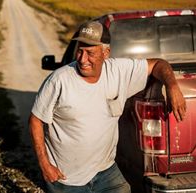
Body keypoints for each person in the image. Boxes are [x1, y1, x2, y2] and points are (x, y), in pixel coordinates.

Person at [29, 20, 186, 193]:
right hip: (67, 178)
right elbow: (36, 120)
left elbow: (158, 64)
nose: (82, 59)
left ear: (106, 53)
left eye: (90, 53)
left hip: (104, 170)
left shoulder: (119, 71)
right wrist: (45, 165)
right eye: (79, 51)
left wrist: (172, 86)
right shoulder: (59, 80)